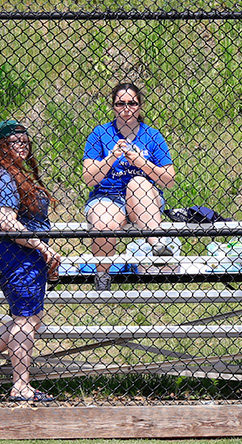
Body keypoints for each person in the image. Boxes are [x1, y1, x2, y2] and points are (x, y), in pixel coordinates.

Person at [0, 120, 61, 403]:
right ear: (1, 146)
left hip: (19, 253)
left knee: (30, 319)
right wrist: (41, 246)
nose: (22, 146)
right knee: (26, 320)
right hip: (15, 253)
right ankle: (20, 386)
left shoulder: (9, 172)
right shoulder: (2, 175)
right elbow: (6, 222)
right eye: (14, 142)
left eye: (25, 142)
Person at [82, 82, 177, 291]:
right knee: (103, 223)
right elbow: (89, 178)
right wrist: (111, 158)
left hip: (143, 201)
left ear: (140, 105)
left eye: (132, 103)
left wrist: (141, 163)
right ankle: (103, 275)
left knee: (137, 182)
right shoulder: (100, 134)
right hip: (107, 196)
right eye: (120, 103)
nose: (126, 108)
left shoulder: (152, 135)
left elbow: (169, 179)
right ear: (113, 106)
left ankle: (157, 244)